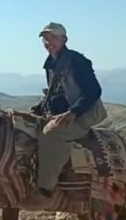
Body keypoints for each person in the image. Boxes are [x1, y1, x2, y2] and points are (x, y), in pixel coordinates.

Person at [30, 22, 108, 198]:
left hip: (84, 113)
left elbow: (94, 90)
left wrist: (73, 112)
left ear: (64, 39)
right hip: (63, 111)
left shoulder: (76, 61)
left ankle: (45, 187)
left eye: (53, 38)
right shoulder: (51, 64)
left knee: (52, 133)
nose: (49, 42)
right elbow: (54, 92)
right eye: (45, 39)